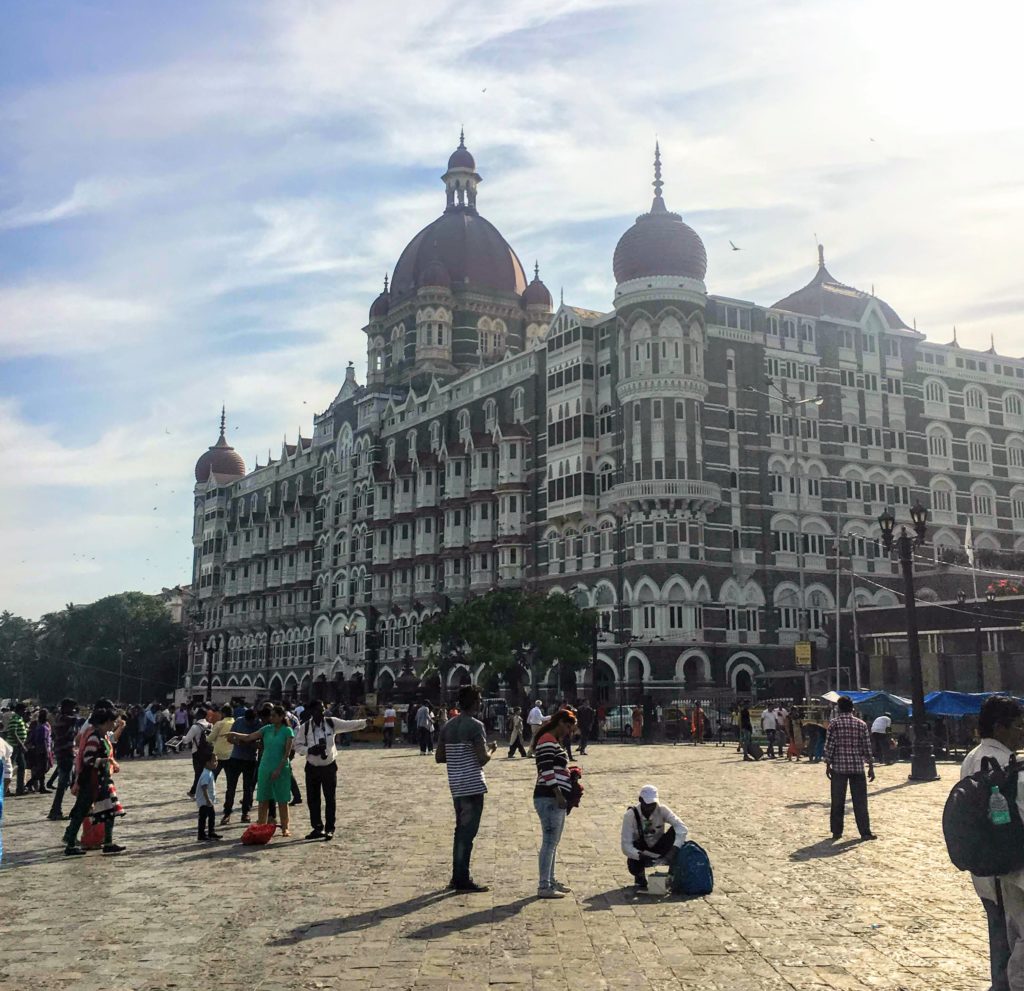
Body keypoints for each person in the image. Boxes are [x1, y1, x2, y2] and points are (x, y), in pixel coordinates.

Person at [960, 695, 1024, 991]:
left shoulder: (974, 755)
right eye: (1017, 726)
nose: (1021, 732)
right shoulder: (997, 762)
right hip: (1002, 866)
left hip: (985, 865)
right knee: (1009, 941)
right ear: (1000, 727)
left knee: (1002, 937)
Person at [436, 684, 497, 892]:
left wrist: (457, 756)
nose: (480, 703)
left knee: (459, 832)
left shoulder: (448, 726)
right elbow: (481, 759)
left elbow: (439, 757)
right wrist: (492, 751)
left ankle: (457, 876)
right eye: (479, 700)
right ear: (474, 703)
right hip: (472, 785)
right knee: (467, 834)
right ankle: (462, 878)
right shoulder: (475, 725)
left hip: (456, 785)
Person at [294, 699, 369, 840]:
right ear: (311, 712)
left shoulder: (331, 723)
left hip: (329, 767)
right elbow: (297, 746)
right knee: (313, 799)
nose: (321, 712)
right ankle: (317, 828)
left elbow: (349, 725)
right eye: (317, 710)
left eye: (322, 709)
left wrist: (365, 722)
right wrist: (310, 750)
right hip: (312, 768)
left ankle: (329, 829)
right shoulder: (305, 728)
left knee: (330, 798)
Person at [62, 707, 126, 856]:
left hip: (103, 780)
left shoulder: (102, 737)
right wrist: (106, 761)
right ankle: (70, 844)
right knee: (81, 812)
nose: (114, 724)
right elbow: (88, 759)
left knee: (110, 811)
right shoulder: (94, 737)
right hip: (92, 781)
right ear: (105, 722)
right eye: (112, 721)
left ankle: (108, 842)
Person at [228, 704, 295, 836]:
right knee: (263, 797)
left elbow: (287, 753)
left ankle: (285, 827)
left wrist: (278, 769)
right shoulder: (266, 729)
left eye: (274, 716)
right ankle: (261, 826)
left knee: (282, 799)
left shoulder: (287, 731)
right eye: (271, 715)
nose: (271, 718)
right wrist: (234, 734)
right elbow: (249, 737)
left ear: (281, 717)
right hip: (264, 766)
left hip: (281, 768)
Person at [531, 708, 577, 898]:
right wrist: (558, 793)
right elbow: (546, 769)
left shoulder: (550, 741)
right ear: (560, 723)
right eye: (568, 727)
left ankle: (550, 880)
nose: (569, 731)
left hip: (551, 796)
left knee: (553, 842)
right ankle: (544, 885)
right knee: (549, 842)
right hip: (548, 796)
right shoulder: (547, 741)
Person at [823, 695, 876, 841]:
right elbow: (867, 747)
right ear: (853, 708)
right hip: (857, 767)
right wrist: (871, 766)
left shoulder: (834, 724)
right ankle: (865, 832)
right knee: (860, 801)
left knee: (837, 801)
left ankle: (836, 831)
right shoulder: (861, 724)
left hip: (839, 767)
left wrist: (828, 764)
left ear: (838, 708)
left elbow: (830, 746)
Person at [621, 784, 688, 891]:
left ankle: (671, 877)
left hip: (659, 844)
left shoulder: (662, 810)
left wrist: (674, 849)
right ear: (640, 800)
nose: (650, 808)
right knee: (633, 863)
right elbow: (626, 845)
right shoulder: (630, 815)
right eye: (647, 805)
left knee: (676, 831)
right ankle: (640, 876)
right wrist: (639, 855)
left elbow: (681, 827)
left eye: (652, 804)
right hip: (642, 849)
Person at [221, 707, 259, 826]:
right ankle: (227, 813)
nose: (249, 724)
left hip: (250, 760)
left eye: (251, 722)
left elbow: (261, 743)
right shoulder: (238, 721)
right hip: (236, 758)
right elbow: (230, 737)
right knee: (231, 788)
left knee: (248, 788)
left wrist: (252, 744)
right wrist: (238, 742)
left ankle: (245, 812)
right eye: (248, 721)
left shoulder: (259, 724)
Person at [47, 699, 78, 820]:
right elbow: (78, 720)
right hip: (65, 753)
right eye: (72, 708)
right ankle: (55, 811)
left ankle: (57, 810)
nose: (73, 711)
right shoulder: (64, 718)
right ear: (65, 707)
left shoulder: (61, 717)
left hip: (63, 753)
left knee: (67, 782)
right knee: (63, 783)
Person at [181, 714, 213, 798]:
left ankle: (195, 792)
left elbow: (186, 740)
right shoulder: (210, 725)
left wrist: (182, 737)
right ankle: (196, 791)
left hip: (197, 752)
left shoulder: (195, 727)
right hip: (208, 752)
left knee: (198, 773)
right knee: (206, 773)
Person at [3, 702, 29, 795]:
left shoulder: (19, 719)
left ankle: (20, 788)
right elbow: (13, 733)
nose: (25, 712)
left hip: (18, 746)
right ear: (20, 710)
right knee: (9, 768)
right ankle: (6, 789)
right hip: (13, 746)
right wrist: (21, 744)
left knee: (22, 766)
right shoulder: (14, 719)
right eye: (24, 710)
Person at [195, 753, 222, 841]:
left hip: (209, 801)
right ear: (207, 763)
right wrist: (207, 799)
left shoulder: (209, 772)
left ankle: (211, 832)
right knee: (203, 818)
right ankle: (201, 835)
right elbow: (204, 787)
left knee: (212, 816)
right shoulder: (206, 774)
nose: (216, 763)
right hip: (204, 802)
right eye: (214, 761)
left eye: (217, 761)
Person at [26, 708, 53, 793]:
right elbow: (43, 740)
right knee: (44, 768)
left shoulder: (39, 726)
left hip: (40, 749)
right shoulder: (43, 727)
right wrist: (46, 752)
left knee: (41, 768)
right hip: (43, 750)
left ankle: (42, 786)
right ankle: (30, 783)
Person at [207, 704, 235, 778]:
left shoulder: (220, 723)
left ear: (224, 714)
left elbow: (210, 739)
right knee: (230, 779)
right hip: (231, 754)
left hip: (218, 754)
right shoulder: (236, 723)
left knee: (212, 777)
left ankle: (211, 789)